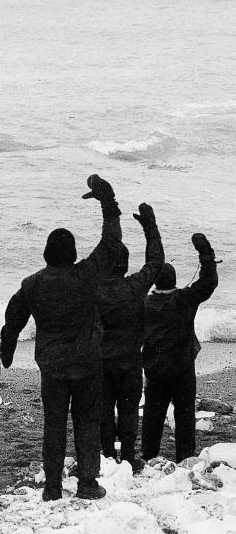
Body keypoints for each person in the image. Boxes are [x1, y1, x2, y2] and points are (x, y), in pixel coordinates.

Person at [0, 175, 124, 502]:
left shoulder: (33, 283)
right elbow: (111, 246)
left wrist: (7, 349)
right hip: (87, 362)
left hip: (52, 366)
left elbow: (13, 317)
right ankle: (86, 483)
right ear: (72, 253)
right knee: (87, 422)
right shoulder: (86, 276)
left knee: (53, 425)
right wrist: (107, 202)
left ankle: (53, 487)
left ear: (45, 253)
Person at [97, 202, 164, 472]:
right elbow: (156, 262)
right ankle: (127, 454)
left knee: (102, 409)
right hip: (129, 359)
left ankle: (104, 452)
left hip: (101, 359)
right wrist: (151, 229)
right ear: (124, 265)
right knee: (128, 408)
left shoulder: (94, 289)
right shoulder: (134, 286)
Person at [140, 231, 218, 462]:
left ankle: (148, 456)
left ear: (155, 281)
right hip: (182, 368)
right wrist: (205, 252)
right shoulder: (184, 299)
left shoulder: (145, 303)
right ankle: (185, 458)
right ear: (174, 281)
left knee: (153, 415)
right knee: (184, 416)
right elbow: (208, 282)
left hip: (154, 369)